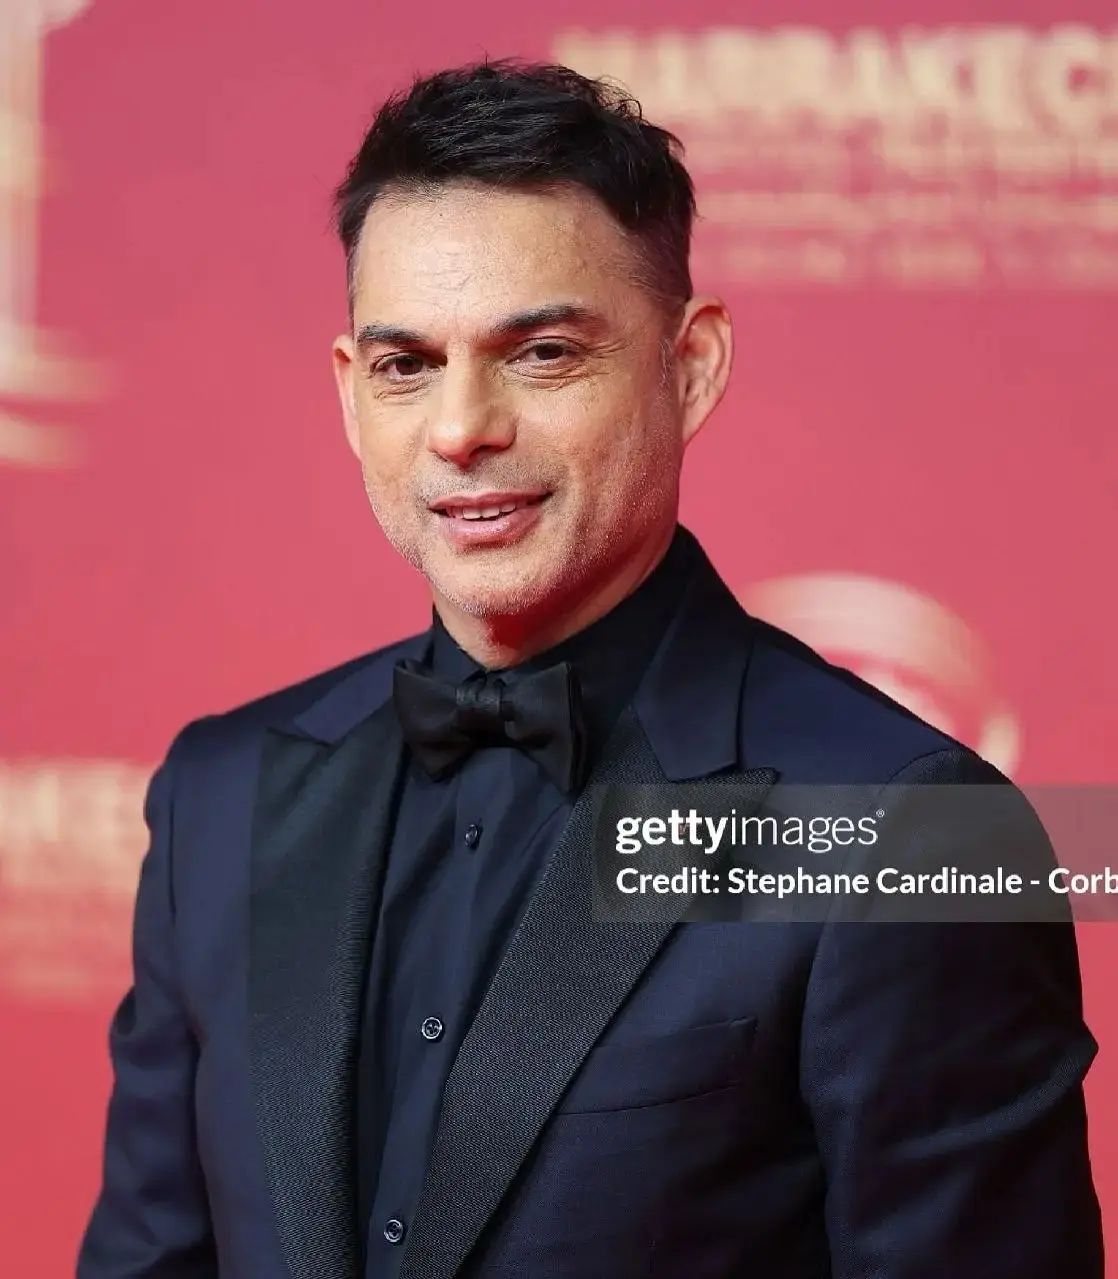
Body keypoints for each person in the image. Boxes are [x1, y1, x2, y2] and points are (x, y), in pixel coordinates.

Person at [78, 60, 1103, 1279]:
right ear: (351, 395)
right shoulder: (222, 795)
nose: (460, 428)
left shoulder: (904, 829)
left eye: (542, 353)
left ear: (691, 365)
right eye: (408, 365)